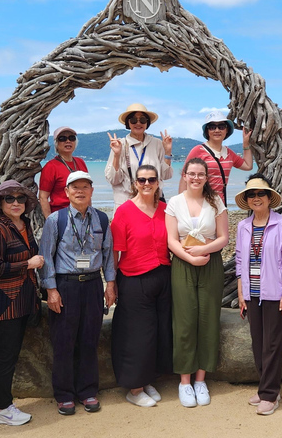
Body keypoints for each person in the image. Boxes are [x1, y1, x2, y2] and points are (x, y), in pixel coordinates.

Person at [39, 172, 115, 416]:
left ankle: (87, 390)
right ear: (67, 192)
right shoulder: (55, 220)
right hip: (65, 286)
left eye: (85, 187)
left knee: (89, 339)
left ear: (92, 191)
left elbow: (108, 254)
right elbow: (46, 257)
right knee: (63, 341)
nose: (80, 191)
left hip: (93, 284)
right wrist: (51, 290)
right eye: (75, 187)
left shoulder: (102, 219)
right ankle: (63, 394)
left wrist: (110, 284)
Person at [166, 158, 229, 408]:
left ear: (206, 177)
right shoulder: (174, 202)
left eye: (200, 174)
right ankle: (184, 381)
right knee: (184, 320)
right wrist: (190, 258)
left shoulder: (216, 202)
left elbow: (223, 237)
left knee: (208, 318)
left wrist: (205, 250)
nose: (195, 178)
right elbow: (171, 240)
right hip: (182, 263)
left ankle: (201, 379)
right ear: (184, 175)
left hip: (211, 263)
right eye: (191, 174)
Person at [0, 181, 43, 426]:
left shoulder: (24, 225)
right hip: (4, 301)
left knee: (4, 355)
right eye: (9, 199)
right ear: (0, 203)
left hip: (21, 299)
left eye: (20, 198)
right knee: (7, 357)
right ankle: (4, 408)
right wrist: (29, 264)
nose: (16, 202)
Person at [235, 174, 282, 416]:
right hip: (251, 294)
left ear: (269, 197)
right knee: (258, 343)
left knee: (272, 345)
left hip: (275, 293)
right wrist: (241, 293)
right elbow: (240, 260)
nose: (256, 198)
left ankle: (270, 395)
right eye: (251, 194)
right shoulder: (243, 226)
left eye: (261, 193)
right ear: (247, 200)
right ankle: (266, 389)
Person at [110, 165, 173, 408]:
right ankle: (134, 389)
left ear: (158, 182)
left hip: (163, 276)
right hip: (134, 278)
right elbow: (114, 251)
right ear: (135, 183)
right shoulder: (125, 211)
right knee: (136, 335)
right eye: (142, 180)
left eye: (151, 179)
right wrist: (111, 283)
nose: (147, 183)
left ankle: (147, 379)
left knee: (158, 331)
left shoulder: (166, 210)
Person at [105, 103, 173, 208]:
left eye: (142, 120)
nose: (138, 123)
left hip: (152, 203)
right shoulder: (120, 144)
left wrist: (168, 152)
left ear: (147, 123)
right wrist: (117, 155)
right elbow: (113, 179)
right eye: (133, 120)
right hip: (127, 204)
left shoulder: (156, 143)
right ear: (128, 123)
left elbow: (166, 175)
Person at [179, 110, 253, 205]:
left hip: (220, 203)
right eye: (212, 127)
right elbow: (184, 177)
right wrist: (181, 204)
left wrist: (245, 144)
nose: (217, 130)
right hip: (200, 203)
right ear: (207, 131)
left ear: (226, 130)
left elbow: (248, 165)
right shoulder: (198, 150)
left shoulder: (229, 153)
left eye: (221, 127)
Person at [39, 126, 88, 218]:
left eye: (71, 138)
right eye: (62, 138)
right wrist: (49, 221)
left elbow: (87, 190)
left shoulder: (80, 162)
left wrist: (89, 214)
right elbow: (43, 197)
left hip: (82, 214)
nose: (68, 141)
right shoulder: (51, 167)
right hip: (61, 216)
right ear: (56, 144)